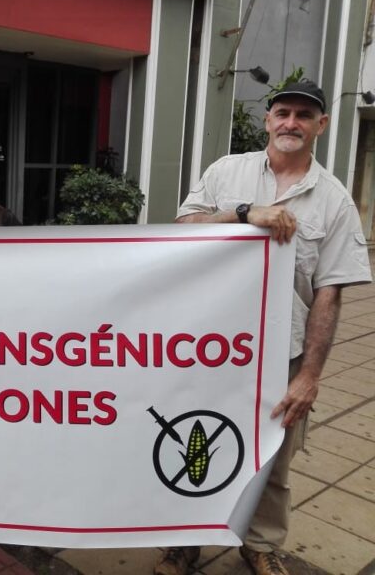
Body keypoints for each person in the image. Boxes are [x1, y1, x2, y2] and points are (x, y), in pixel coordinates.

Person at [154, 82, 372, 575]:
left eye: (304, 115)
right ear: (268, 119)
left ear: (321, 125)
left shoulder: (334, 201)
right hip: (209, 348)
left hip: (282, 353)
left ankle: (260, 543)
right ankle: (186, 539)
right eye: (283, 112)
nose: (291, 122)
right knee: (196, 440)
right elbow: (182, 227)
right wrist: (244, 214)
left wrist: (309, 376)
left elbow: (329, 294)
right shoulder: (226, 172)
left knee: (274, 456)